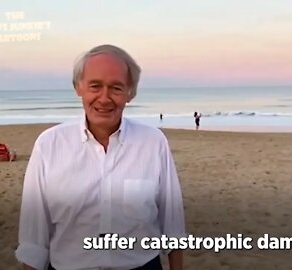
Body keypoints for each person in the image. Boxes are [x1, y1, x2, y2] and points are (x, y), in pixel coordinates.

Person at [15, 45, 186, 270]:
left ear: (130, 93)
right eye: (95, 86)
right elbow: (34, 237)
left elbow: (172, 224)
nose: (104, 98)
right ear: (79, 87)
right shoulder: (49, 145)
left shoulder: (153, 143)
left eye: (116, 88)